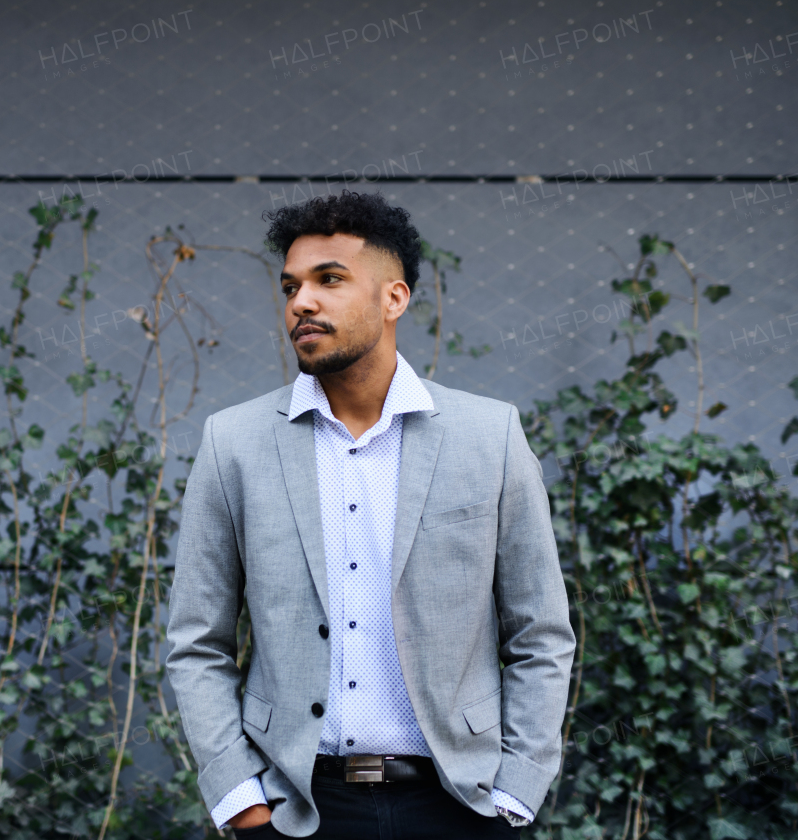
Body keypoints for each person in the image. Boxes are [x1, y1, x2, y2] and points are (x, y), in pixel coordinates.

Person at [165, 190, 575, 839]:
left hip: (461, 808)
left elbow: (541, 633)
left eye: (330, 279)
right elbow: (196, 643)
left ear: (394, 298)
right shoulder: (233, 443)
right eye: (290, 285)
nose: (302, 301)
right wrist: (242, 804)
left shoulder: (489, 436)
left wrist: (515, 795)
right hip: (298, 810)